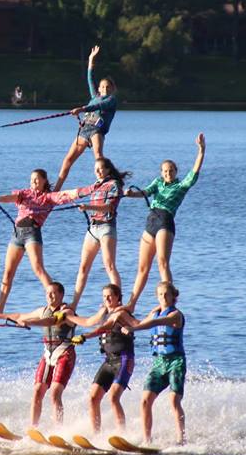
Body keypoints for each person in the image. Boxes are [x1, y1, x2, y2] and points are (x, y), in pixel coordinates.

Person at [125, 133, 205, 312]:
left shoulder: (181, 186)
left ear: (176, 172)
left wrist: (201, 150)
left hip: (165, 221)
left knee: (162, 261)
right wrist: (131, 195)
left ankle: (169, 301)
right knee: (142, 268)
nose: (168, 173)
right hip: (150, 221)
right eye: (165, 171)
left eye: (171, 171)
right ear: (161, 172)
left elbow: (194, 173)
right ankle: (131, 304)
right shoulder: (158, 183)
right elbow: (145, 192)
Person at [0, 169, 82, 312]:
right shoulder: (24, 193)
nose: (33, 182)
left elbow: (67, 195)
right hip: (17, 234)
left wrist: (83, 192)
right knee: (8, 272)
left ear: (44, 181)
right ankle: (0, 307)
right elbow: (11, 197)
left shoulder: (48, 198)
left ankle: (58, 303)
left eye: (37, 179)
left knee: (38, 268)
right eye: (32, 179)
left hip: (32, 233)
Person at [0, 281, 77, 427]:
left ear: (61, 295)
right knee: (38, 391)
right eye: (47, 293)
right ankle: (33, 428)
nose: (49, 296)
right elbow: (20, 315)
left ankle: (59, 429)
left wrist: (30, 323)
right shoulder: (42, 310)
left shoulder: (67, 312)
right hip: (48, 354)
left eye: (53, 293)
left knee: (55, 392)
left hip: (64, 353)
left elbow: (49, 321)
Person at [114, 282, 186, 445]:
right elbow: (138, 323)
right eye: (160, 294)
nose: (163, 297)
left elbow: (154, 323)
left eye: (166, 294)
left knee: (174, 400)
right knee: (145, 400)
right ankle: (147, 441)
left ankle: (181, 439)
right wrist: (122, 314)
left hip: (176, 361)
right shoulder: (155, 313)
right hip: (159, 362)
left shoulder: (175, 315)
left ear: (174, 296)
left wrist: (134, 330)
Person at [64, 283, 137, 433]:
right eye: (104, 296)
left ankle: (122, 433)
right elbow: (88, 322)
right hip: (108, 361)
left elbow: (102, 329)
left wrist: (85, 336)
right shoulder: (103, 312)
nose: (107, 299)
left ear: (118, 297)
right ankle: (96, 433)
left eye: (110, 296)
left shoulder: (122, 313)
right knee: (93, 398)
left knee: (113, 398)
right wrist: (69, 316)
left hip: (124, 359)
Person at [70, 158, 131, 311]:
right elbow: (79, 192)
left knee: (109, 266)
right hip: (92, 228)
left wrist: (87, 206)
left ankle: (118, 303)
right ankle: (74, 304)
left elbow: (109, 207)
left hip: (106, 228)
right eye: (95, 169)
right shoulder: (96, 185)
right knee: (83, 267)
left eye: (100, 169)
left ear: (108, 170)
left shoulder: (114, 185)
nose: (97, 172)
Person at [53, 45, 117, 192]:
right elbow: (90, 78)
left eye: (108, 87)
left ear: (112, 89)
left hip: (96, 131)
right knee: (67, 160)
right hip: (84, 131)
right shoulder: (94, 97)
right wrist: (90, 59)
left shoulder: (111, 100)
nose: (105, 89)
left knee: (98, 157)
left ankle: (104, 183)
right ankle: (55, 191)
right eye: (102, 87)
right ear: (99, 88)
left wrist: (81, 109)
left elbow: (98, 106)